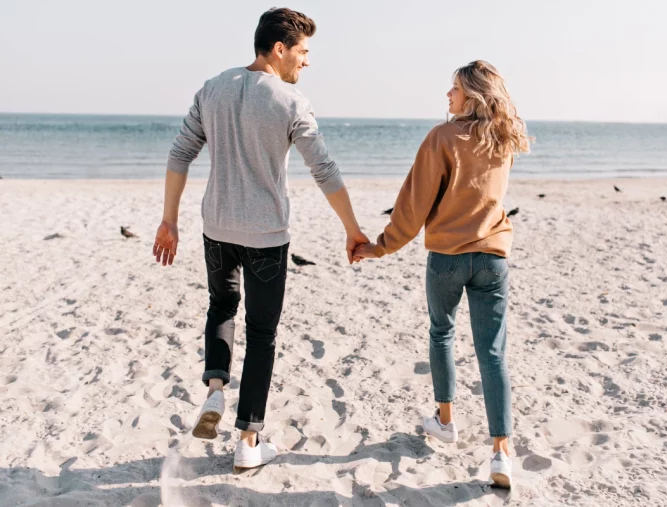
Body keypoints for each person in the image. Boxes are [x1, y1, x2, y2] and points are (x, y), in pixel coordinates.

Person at [152, 7, 368, 471]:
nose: (305, 62)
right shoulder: (292, 102)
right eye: (303, 52)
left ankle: (214, 391)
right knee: (263, 333)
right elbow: (323, 170)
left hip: (216, 228)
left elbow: (179, 154)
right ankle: (249, 441)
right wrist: (352, 229)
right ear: (279, 49)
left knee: (221, 308)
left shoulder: (212, 89)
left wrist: (169, 221)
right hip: (267, 235)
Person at [354, 60, 531, 488]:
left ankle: (446, 420)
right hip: (492, 258)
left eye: (453, 89)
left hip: (448, 258)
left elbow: (413, 205)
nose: (447, 96)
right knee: (492, 353)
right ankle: (501, 452)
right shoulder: (503, 139)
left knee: (442, 334)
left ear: (471, 94)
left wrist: (381, 245)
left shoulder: (442, 137)